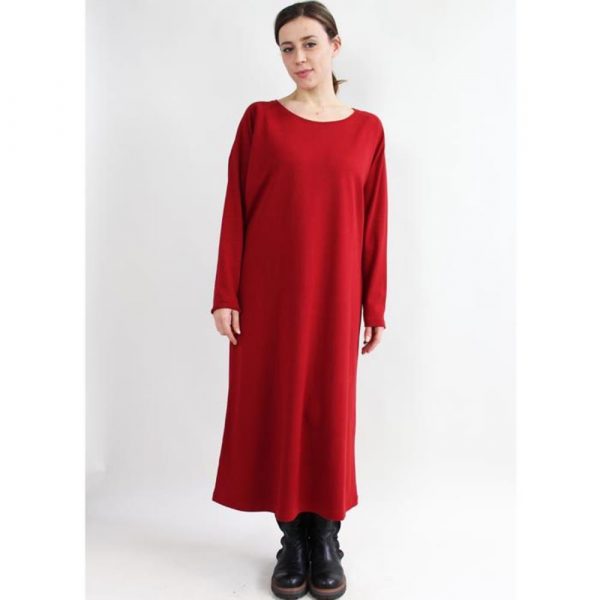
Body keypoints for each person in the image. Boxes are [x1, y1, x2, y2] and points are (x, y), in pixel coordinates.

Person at [210, 2, 388, 598]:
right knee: (280, 407)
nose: (298, 58)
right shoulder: (260, 120)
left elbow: (374, 222)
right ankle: (292, 537)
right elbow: (235, 208)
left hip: (337, 295)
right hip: (269, 296)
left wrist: (374, 304)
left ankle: (327, 536)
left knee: (329, 410)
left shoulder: (367, 130)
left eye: (309, 43)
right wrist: (226, 292)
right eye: (287, 48)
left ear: (335, 46)